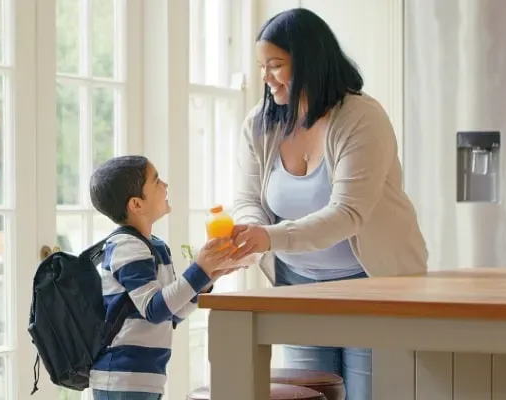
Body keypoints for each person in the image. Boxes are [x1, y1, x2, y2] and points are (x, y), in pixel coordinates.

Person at [230, 8, 428, 399]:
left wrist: (267, 237)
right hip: (298, 288)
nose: (265, 77)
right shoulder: (260, 123)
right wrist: (250, 231)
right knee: (309, 396)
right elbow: (248, 198)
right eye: (261, 66)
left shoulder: (361, 118)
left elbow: (348, 214)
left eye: (275, 65)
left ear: (308, 62)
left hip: (371, 285)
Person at [88, 155, 240, 400]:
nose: (165, 185)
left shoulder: (155, 247)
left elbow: (171, 314)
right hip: (122, 378)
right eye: (157, 181)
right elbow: (154, 309)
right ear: (136, 204)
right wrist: (198, 270)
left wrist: (209, 276)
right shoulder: (127, 246)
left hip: (146, 377)